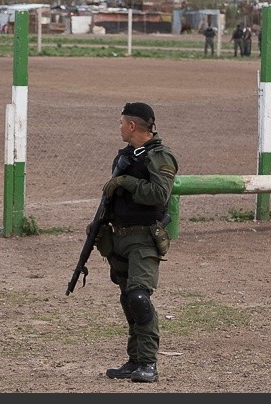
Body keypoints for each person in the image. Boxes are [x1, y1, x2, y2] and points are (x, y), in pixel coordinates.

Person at [98, 102, 178, 383]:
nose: (119, 127)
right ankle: (134, 361)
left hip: (143, 239)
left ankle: (148, 363)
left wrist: (126, 183)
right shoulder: (127, 155)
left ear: (132, 126)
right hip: (119, 237)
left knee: (138, 297)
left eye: (121, 123)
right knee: (127, 299)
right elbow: (112, 196)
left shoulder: (160, 156)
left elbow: (159, 194)